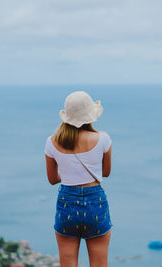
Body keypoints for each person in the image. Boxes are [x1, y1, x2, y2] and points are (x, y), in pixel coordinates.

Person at [44, 91, 113, 267]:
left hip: (67, 204)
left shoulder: (51, 142)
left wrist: (68, 173)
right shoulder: (103, 139)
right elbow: (105, 172)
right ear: (90, 116)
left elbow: (52, 179)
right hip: (95, 204)